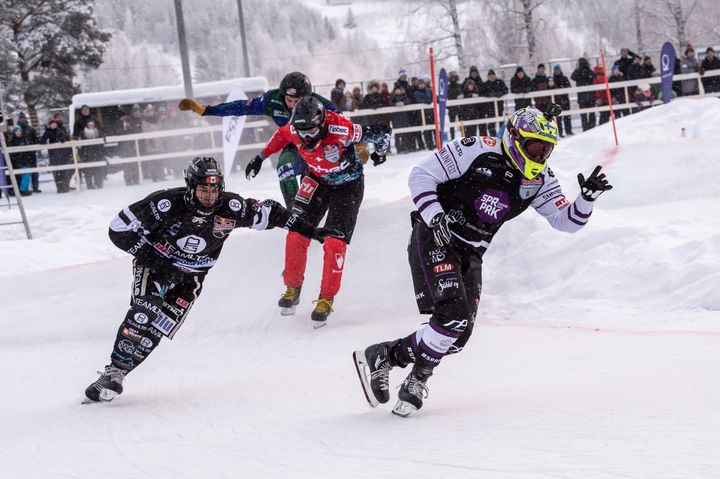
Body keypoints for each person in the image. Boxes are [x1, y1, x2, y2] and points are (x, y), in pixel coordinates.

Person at [353, 105, 612, 417]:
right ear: (515, 138)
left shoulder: (541, 179)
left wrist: (586, 199)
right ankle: (417, 380)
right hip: (436, 235)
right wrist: (436, 218)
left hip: (471, 253)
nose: (540, 156)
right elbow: (421, 175)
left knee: (458, 336)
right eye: (535, 147)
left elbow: (565, 221)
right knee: (453, 315)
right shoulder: (475, 150)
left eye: (547, 150)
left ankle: (387, 355)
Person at [83, 157, 341, 403]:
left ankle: (115, 377)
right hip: (156, 266)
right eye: (203, 189)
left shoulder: (232, 207)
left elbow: (272, 213)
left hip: (192, 279)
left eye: (214, 189)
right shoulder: (165, 203)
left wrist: (310, 229)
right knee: (145, 312)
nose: (209, 196)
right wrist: (157, 260)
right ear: (190, 186)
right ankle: (114, 370)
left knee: (156, 330)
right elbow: (118, 229)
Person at [244, 97, 392, 327]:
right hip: (315, 180)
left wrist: (380, 154)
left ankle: (326, 298)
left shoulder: (342, 128)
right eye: (301, 132)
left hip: (348, 185)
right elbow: (281, 136)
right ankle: (292, 288)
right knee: (295, 231)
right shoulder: (293, 129)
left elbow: (382, 132)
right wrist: (260, 157)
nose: (306, 137)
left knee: (334, 241)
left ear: (322, 124)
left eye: (311, 130)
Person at [178, 72, 335, 207]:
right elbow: (242, 107)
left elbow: (344, 123)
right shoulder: (272, 101)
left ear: (307, 97)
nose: (293, 105)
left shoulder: (320, 103)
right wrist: (207, 110)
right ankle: (295, 214)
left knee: (315, 182)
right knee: (284, 168)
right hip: (293, 147)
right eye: (289, 100)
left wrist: (357, 147)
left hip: (320, 147)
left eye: (297, 101)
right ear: (282, 96)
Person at [40, 117, 73, 193]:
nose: (54, 125)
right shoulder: (48, 132)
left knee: (64, 170)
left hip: (63, 153)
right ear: (50, 125)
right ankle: (59, 187)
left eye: (55, 123)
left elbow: (67, 138)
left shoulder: (60, 130)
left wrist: (63, 139)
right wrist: (44, 142)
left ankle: (65, 185)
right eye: (52, 124)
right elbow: (42, 140)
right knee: (57, 171)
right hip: (54, 154)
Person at [571, 57, 597, 131]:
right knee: (591, 114)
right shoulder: (588, 71)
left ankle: (585, 129)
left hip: (582, 97)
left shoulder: (579, 72)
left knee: (584, 115)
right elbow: (594, 76)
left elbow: (573, 77)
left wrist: (577, 68)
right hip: (590, 97)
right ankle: (592, 128)